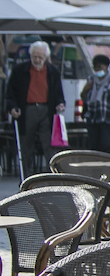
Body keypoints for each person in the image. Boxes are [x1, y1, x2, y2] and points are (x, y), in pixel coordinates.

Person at [5, 41, 66, 176]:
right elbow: (10, 94)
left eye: (40, 57)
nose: (37, 60)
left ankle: (53, 179)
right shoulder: (19, 70)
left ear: (46, 57)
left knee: (49, 147)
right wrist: (12, 108)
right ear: (30, 55)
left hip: (47, 111)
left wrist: (60, 103)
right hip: (27, 110)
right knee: (26, 147)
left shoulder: (52, 71)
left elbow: (59, 94)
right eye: (35, 57)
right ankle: (26, 180)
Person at [80, 55, 110, 154]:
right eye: (95, 67)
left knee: (107, 145)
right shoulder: (91, 79)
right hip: (93, 118)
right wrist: (86, 89)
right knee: (94, 146)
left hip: (108, 118)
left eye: (99, 67)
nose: (97, 70)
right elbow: (84, 97)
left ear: (106, 67)